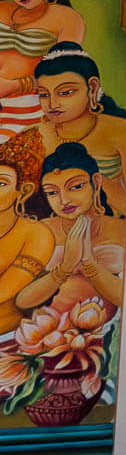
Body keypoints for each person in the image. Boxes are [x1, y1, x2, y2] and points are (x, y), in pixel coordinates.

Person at [16, 143, 125, 315]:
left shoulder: (124, 230)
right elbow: (22, 300)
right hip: (47, 327)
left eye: (75, 187)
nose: (64, 200)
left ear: (95, 183)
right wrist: (65, 267)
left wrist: (89, 263)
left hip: (106, 329)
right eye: (52, 192)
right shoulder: (40, 231)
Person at [32, 44, 126, 217]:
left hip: (106, 227)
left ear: (92, 87)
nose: (52, 104)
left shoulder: (122, 131)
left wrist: (90, 176)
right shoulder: (34, 135)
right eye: (44, 94)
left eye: (65, 92)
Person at [0, 0, 87, 102]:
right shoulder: (2, 8)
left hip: (29, 103)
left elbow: (66, 74)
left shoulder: (66, 18)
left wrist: (15, 85)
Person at [0, 129, 55, 334]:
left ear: (23, 191)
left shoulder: (36, 234)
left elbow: (4, 291)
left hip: (10, 335)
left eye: (1, 183)